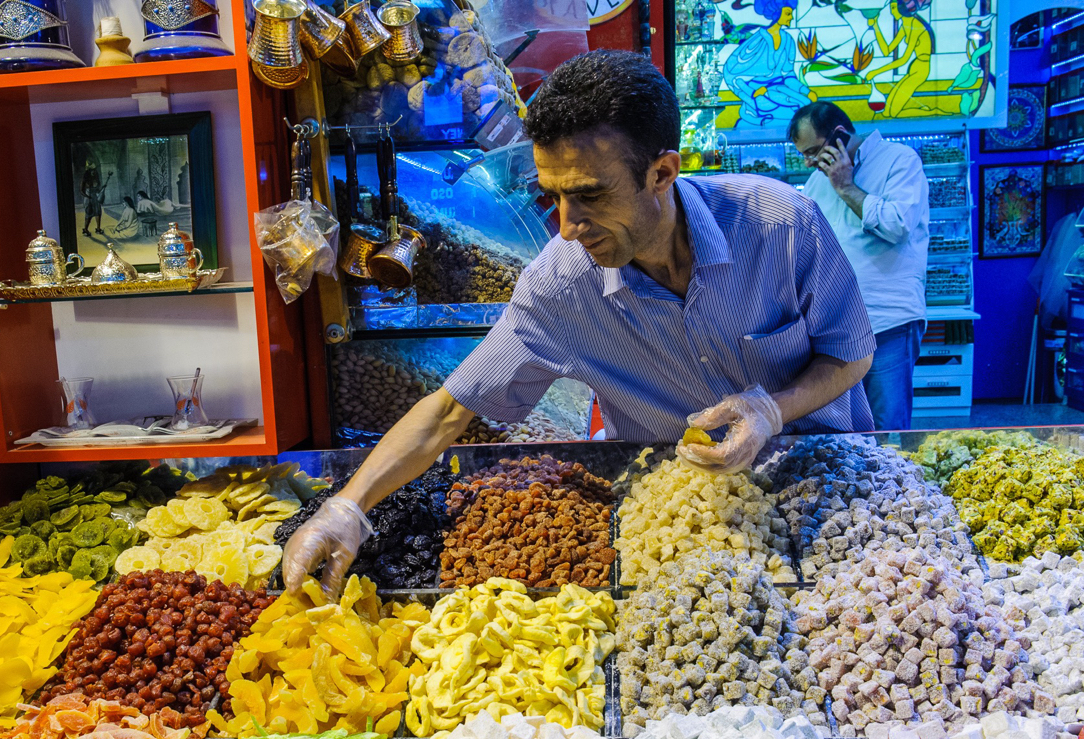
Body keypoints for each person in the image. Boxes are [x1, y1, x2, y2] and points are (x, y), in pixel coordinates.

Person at [284, 50, 875, 597]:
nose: (568, 225)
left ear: (663, 173)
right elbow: (448, 411)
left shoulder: (780, 224)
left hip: (821, 490)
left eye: (590, 195)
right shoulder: (561, 285)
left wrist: (771, 410)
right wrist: (349, 507)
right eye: (554, 196)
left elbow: (851, 354)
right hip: (685, 523)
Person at [789, 101, 928, 430]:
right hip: (837, 327)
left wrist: (845, 185)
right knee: (847, 431)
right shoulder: (817, 181)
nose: (809, 162)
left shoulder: (899, 161)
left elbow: (897, 225)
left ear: (839, 134)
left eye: (812, 151)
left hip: (887, 320)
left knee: (887, 431)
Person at [721, 0, 812, 129]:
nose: (791, 17)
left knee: (805, 103)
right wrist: (752, 92)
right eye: (787, 13)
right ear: (777, 14)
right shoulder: (756, 41)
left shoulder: (788, 40)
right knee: (778, 111)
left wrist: (806, 91)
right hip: (760, 92)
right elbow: (732, 74)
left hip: (780, 89)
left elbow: (788, 75)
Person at [865, 0, 939, 118]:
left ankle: (933, 112)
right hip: (914, 69)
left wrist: (876, 72)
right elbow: (886, 51)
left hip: (921, 70)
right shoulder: (905, 25)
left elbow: (903, 60)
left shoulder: (915, 26)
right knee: (886, 112)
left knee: (894, 114)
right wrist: (875, 26)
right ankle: (924, 110)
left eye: (894, 7)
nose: (891, 11)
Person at [81, 163, 113, 238]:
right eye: (92, 170)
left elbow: (98, 190)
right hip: (88, 198)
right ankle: (85, 229)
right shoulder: (85, 179)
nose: (94, 171)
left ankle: (98, 228)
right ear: (89, 171)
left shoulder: (96, 179)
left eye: (94, 170)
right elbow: (81, 191)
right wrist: (87, 196)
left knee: (98, 212)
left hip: (95, 197)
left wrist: (103, 188)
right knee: (88, 214)